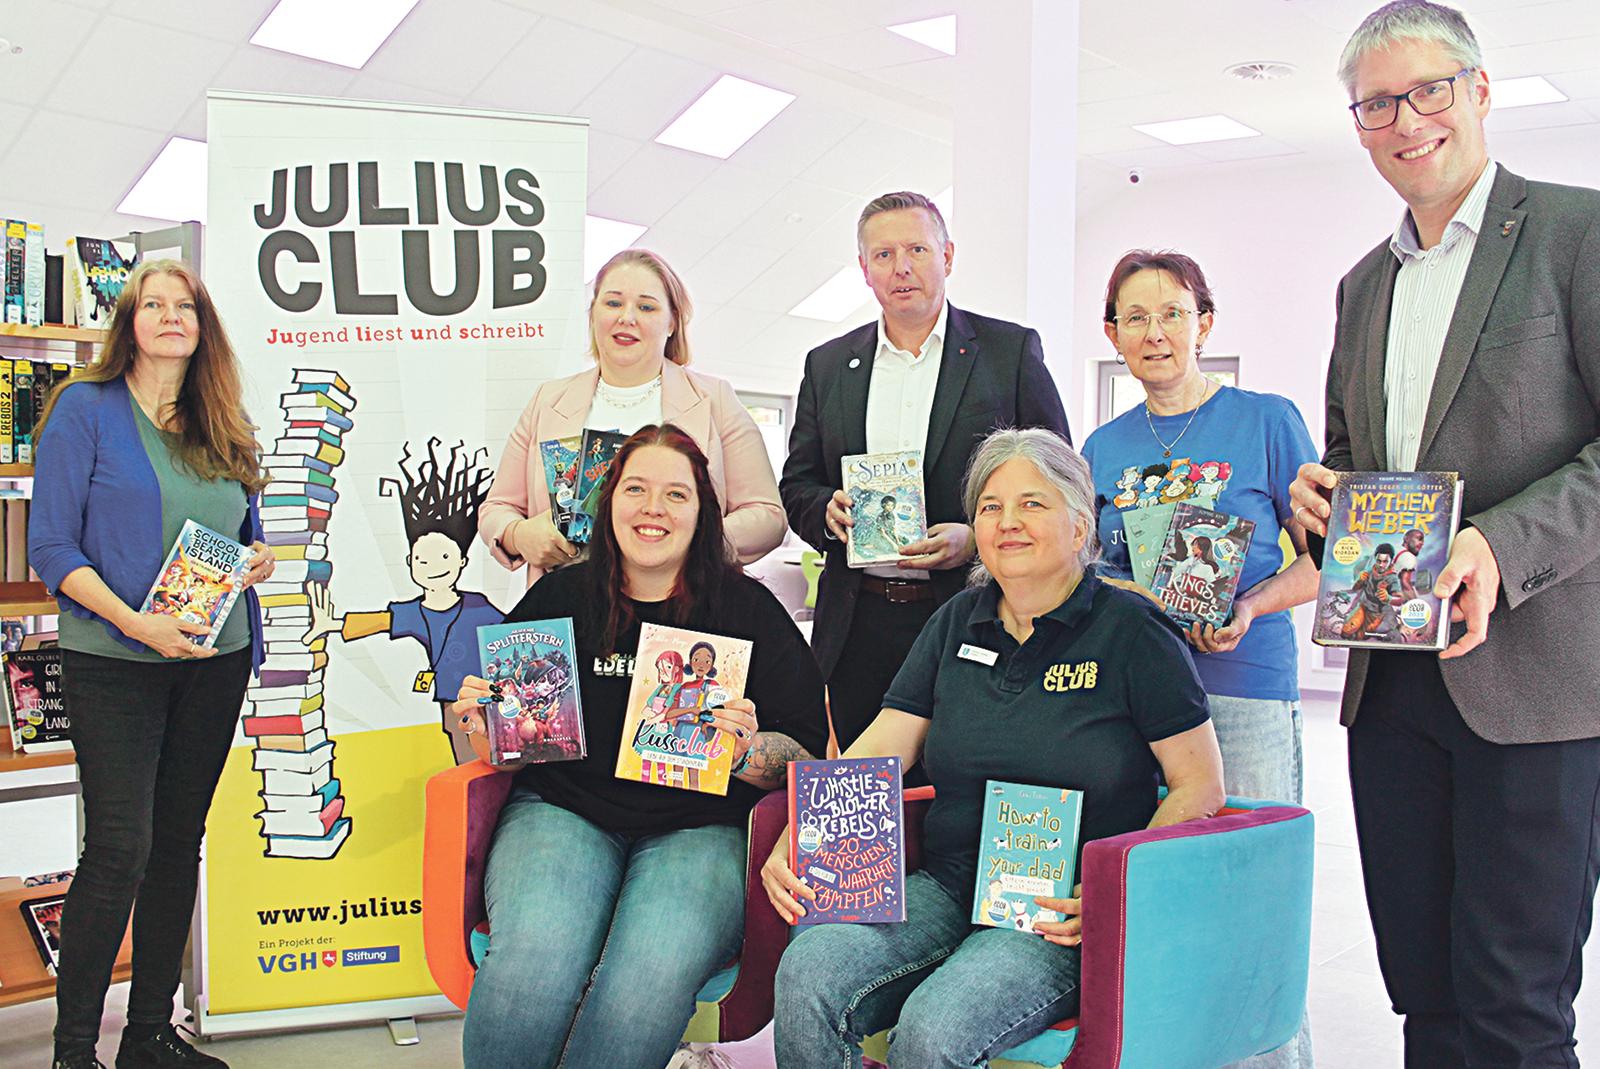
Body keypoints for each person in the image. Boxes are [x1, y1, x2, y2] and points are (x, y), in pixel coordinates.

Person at [1288, 2, 1600, 1063]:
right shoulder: (1361, 286)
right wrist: (1322, 500)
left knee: (1515, 1006)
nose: (1406, 120)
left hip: (1533, 683)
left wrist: (1496, 544)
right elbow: (1350, 453)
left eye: (1428, 90)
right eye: (1377, 104)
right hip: (1391, 686)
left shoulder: (1575, 234)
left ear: (1479, 91)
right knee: (1424, 994)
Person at [764, 428, 1224, 1069]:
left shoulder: (1134, 632)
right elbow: (885, 744)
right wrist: (804, 830)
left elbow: (1200, 785)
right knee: (809, 968)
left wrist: (1113, 893)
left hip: (1058, 908)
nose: (1008, 521)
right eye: (990, 506)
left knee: (935, 1028)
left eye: (1032, 503)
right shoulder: (956, 620)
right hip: (949, 884)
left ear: (1079, 524)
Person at [451, 424, 828, 1069]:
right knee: (536, 954)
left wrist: (745, 751)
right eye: (635, 489)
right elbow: (491, 749)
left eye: (676, 494)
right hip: (561, 811)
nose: (654, 508)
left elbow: (808, 762)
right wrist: (480, 723)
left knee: (648, 972)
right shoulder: (561, 595)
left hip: (701, 827)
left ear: (703, 512)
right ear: (609, 502)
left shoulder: (748, 609)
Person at [29, 260, 277, 1069]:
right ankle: (74, 1051)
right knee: (119, 846)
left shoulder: (222, 418)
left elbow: (241, 529)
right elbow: (50, 547)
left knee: (176, 843)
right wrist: (137, 623)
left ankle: (147, 1035)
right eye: (154, 304)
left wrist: (257, 558)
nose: (171, 316)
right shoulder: (84, 410)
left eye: (186, 306)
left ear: (203, 326)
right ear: (129, 322)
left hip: (214, 657)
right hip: (115, 659)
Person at [780, 191, 1072, 753]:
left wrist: (977, 539)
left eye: (916, 249)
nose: (902, 267)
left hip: (976, 609)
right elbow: (797, 485)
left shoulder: (1007, 351)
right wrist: (826, 512)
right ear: (864, 269)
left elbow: (1057, 480)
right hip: (858, 623)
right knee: (870, 783)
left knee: (967, 773)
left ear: (948, 256)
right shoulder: (828, 365)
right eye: (883, 255)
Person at [479, 249, 784, 583]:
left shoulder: (716, 400)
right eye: (613, 303)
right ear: (593, 313)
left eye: (646, 307)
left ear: (672, 322)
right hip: (569, 600)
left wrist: (695, 541)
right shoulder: (547, 401)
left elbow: (768, 517)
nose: (626, 317)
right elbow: (497, 508)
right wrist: (519, 534)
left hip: (685, 600)